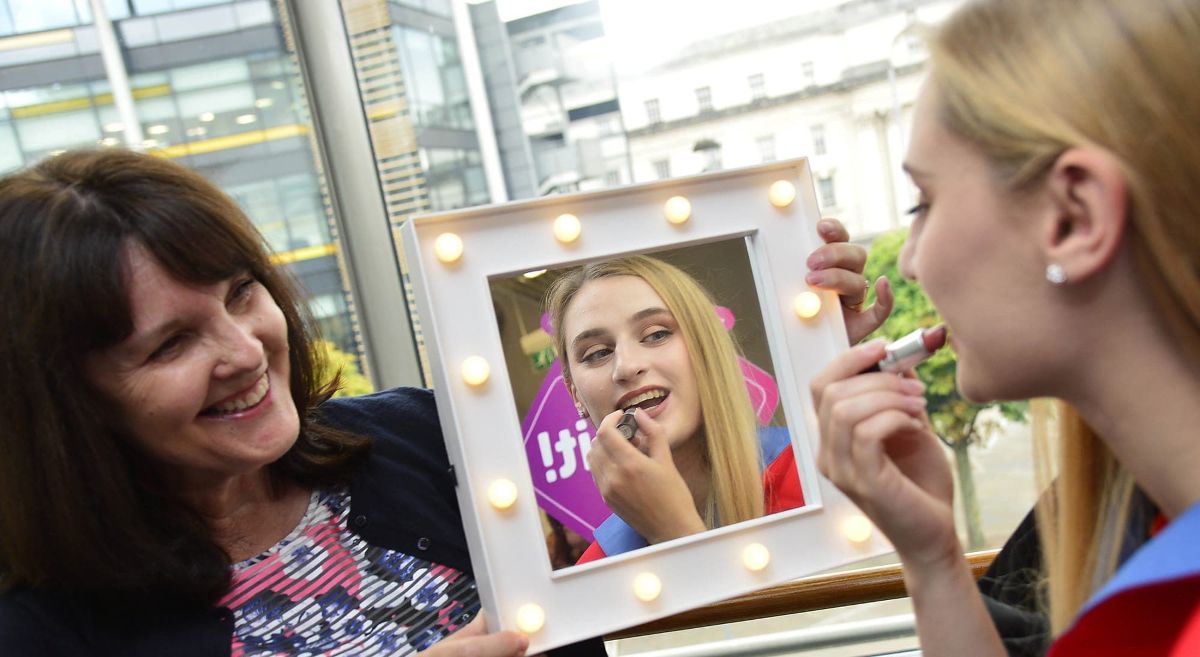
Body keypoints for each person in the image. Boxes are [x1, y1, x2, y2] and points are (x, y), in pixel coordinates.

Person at [0, 148, 603, 656]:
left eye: (240, 293)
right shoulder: (40, 631)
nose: (246, 351)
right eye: (171, 344)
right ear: (64, 406)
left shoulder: (426, 434)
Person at [809, 0, 1200, 655]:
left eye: (924, 202)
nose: (907, 258)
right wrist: (931, 557)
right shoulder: (1152, 535)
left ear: (1074, 217)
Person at [547, 248, 889, 564]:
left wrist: (674, 531)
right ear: (575, 393)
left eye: (656, 334)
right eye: (597, 353)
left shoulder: (821, 474)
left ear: (707, 346)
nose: (626, 367)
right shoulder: (596, 568)